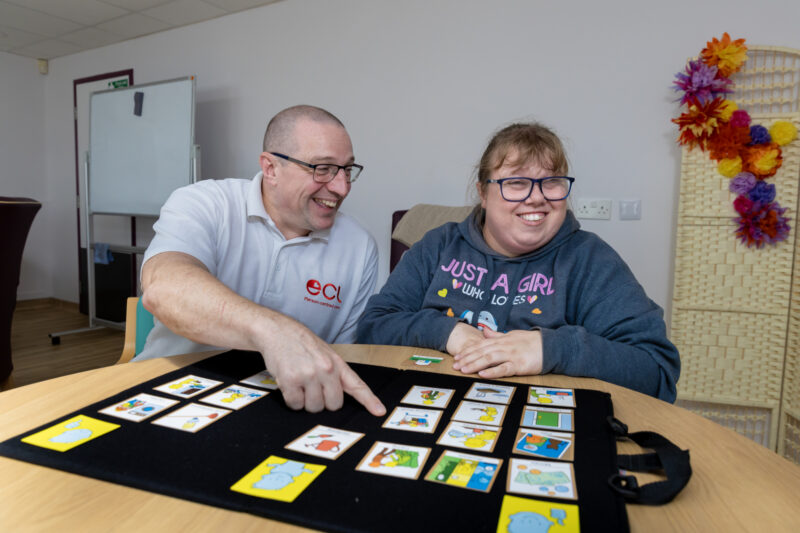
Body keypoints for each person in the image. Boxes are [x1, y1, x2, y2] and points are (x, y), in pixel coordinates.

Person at [357, 122, 680, 402]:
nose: (536, 197)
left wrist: (549, 349)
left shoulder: (590, 260)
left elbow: (655, 371)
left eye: (551, 182)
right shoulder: (439, 245)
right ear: (483, 192)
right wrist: (449, 332)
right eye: (516, 183)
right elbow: (372, 328)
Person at [137, 105, 386, 416]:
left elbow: (342, 356)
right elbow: (165, 288)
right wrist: (274, 331)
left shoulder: (360, 246)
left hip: (281, 406)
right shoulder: (204, 203)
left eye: (347, 170)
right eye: (323, 168)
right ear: (270, 168)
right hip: (169, 392)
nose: (341, 187)